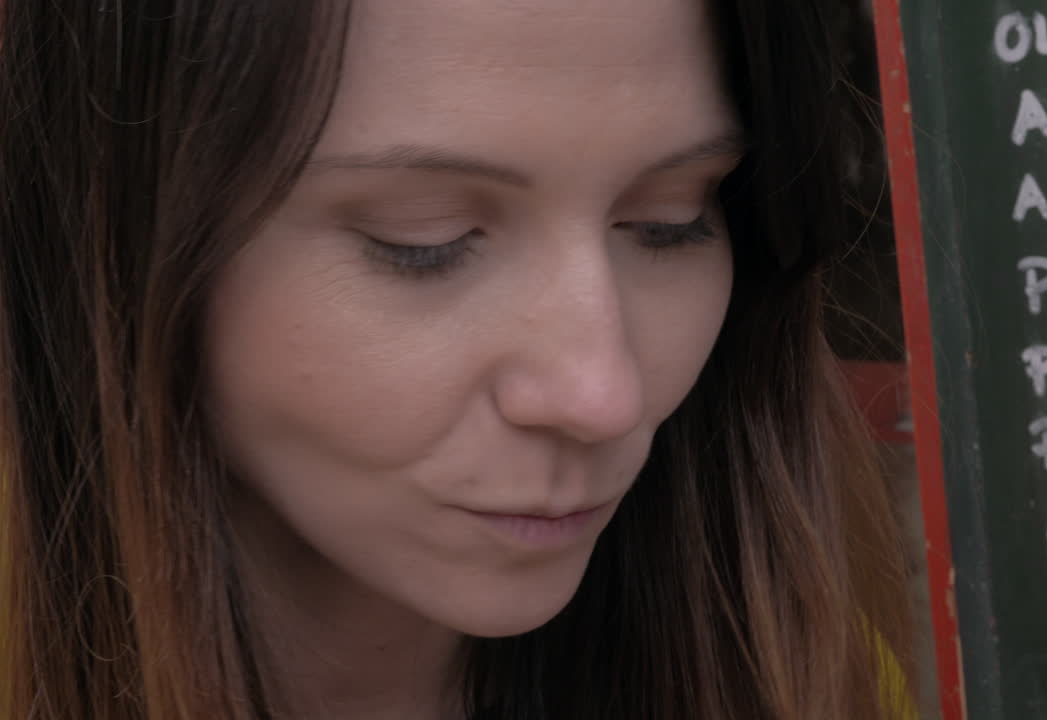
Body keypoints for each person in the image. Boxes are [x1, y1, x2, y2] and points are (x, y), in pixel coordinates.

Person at [0, 1, 911, 718]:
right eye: (423, 240)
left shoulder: (805, 670)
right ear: (104, 235)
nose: (602, 394)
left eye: (670, 220)